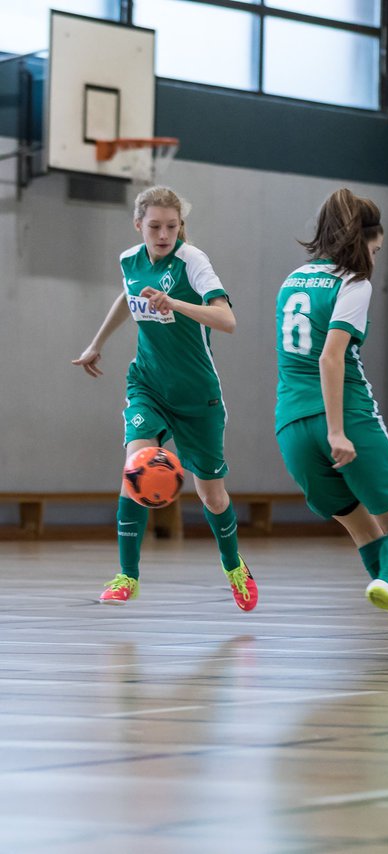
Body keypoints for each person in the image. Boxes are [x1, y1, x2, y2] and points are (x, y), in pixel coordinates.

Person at [274, 188, 388, 656]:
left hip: (289, 425)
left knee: (363, 532)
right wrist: (336, 430)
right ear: (364, 240)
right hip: (344, 417)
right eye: (375, 248)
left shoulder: (293, 280)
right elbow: (331, 359)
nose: (375, 257)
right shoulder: (353, 283)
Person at [73, 186, 256, 609]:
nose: (163, 234)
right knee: (134, 469)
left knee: (212, 495)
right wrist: (97, 342)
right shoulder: (129, 260)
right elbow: (128, 295)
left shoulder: (193, 262)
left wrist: (174, 301)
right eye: (154, 226)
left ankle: (234, 567)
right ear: (138, 225)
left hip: (197, 396)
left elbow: (227, 320)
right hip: (148, 385)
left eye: (171, 227)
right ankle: (127, 576)